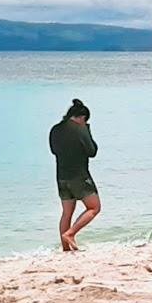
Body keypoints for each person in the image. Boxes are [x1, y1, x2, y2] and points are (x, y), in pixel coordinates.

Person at [49, 98, 100, 251]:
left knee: (66, 213)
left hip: (61, 177)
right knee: (94, 207)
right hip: (79, 175)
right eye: (85, 121)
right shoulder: (80, 129)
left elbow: (54, 150)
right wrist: (87, 132)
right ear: (81, 118)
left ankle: (65, 249)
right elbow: (92, 152)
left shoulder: (55, 129)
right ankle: (70, 234)